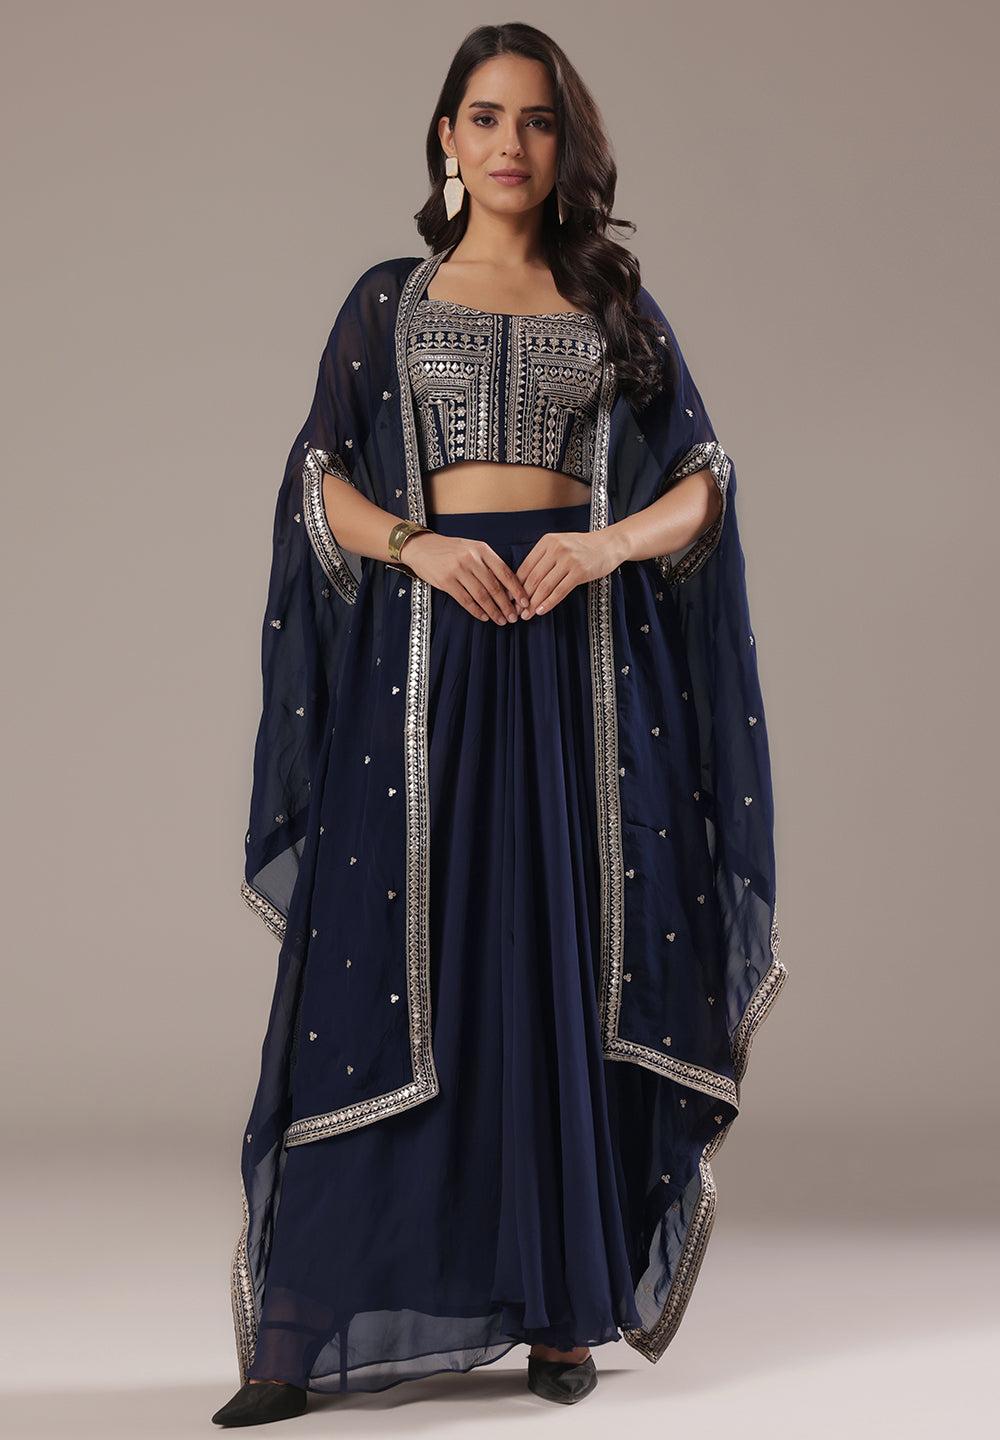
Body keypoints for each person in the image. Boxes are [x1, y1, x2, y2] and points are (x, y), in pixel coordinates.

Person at [212, 20, 785, 1429]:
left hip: (577, 670)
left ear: (563, 142)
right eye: (485, 117)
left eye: (536, 120)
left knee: (553, 956)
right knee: (389, 967)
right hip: (424, 669)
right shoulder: (389, 304)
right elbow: (319, 478)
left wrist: (602, 546)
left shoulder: (612, 305)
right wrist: (417, 544)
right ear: (446, 138)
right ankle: (299, 1337)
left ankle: (558, 1308)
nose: (511, 144)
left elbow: (703, 480)